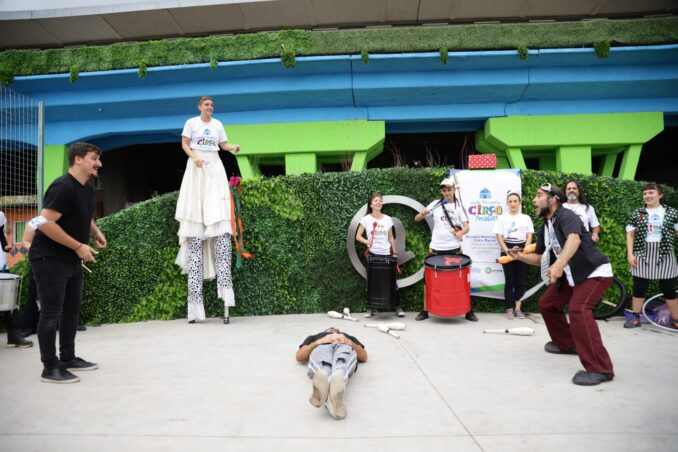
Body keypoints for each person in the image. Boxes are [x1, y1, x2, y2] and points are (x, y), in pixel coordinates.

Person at [510, 183, 614, 386]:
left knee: (579, 309)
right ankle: (567, 344)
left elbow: (574, 240)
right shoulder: (546, 225)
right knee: (547, 303)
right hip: (572, 274)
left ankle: (601, 368)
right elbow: (540, 257)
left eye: (538, 195)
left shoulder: (567, 216)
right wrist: (519, 256)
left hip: (594, 272)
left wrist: (558, 264)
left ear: (553, 199)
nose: (533, 200)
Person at [29, 142, 107, 383]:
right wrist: (78, 246)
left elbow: (83, 213)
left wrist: (94, 232)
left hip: (70, 258)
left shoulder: (86, 187)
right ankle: (49, 367)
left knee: (71, 311)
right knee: (51, 313)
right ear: (78, 159)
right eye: (94, 158)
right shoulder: (63, 186)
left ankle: (68, 358)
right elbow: (45, 222)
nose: (99, 163)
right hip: (49, 257)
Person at [175, 96, 241, 325]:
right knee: (195, 242)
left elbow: (223, 145)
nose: (210, 107)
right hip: (196, 167)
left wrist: (232, 147)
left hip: (214, 166)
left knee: (220, 231)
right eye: (206, 104)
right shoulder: (191, 123)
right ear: (199, 107)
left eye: (212, 104)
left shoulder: (218, 125)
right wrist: (194, 157)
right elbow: (184, 144)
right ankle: (194, 310)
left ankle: (226, 305)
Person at [413, 177, 476, 322]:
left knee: (460, 280)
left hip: (454, 249)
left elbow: (466, 227)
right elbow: (416, 219)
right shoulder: (435, 204)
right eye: (444, 190)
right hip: (436, 248)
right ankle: (425, 310)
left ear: (454, 190)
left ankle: (467, 310)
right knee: (427, 280)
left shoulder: (459, 207)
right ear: (442, 191)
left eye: (449, 189)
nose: (447, 192)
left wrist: (461, 232)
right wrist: (422, 214)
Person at [624, 183, 678, 329]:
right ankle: (635, 318)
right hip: (642, 252)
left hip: (666, 252)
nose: (647, 195)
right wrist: (630, 254)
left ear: (660, 195)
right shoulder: (638, 213)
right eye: (645, 193)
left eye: (651, 192)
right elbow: (630, 235)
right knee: (639, 287)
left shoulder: (672, 212)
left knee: (670, 290)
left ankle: (676, 320)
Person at [295, 327, 367, 420]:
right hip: (321, 347)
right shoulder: (315, 337)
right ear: (325, 331)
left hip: (344, 346)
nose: (333, 329)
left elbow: (363, 357)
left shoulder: (348, 337)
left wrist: (349, 342)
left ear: (339, 331)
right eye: (330, 329)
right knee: (324, 366)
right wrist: (318, 342)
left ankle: (331, 388)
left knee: (341, 364)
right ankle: (333, 398)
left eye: (335, 329)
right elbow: (299, 356)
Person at [355, 192, 404, 318]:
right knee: (370, 282)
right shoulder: (366, 219)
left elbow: (391, 237)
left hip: (387, 255)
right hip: (372, 255)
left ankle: (398, 307)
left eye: (380, 200)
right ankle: (370, 308)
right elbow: (358, 236)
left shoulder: (387, 219)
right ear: (371, 204)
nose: (378, 202)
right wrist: (367, 241)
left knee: (393, 283)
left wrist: (394, 253)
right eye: (376, 200)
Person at [493, 191, 534, 319]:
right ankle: (509, 308)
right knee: (509, 281)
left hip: (522, 250)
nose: (513, 203)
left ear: (519, 202)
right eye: (510, 201)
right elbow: (498, 235)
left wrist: (525, 250)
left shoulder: (526, 218)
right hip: (507, 250)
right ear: (507, 203)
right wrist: (506, 250)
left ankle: (518, 309)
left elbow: (529, 235)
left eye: (515, 201)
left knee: (520, 281)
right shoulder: (502, 218)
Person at [0, 210, 33, 348]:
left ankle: (14, 336)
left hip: (1, 268)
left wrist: (8, 248)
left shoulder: (0, 215)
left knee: (11, 303)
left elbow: (2, 240)